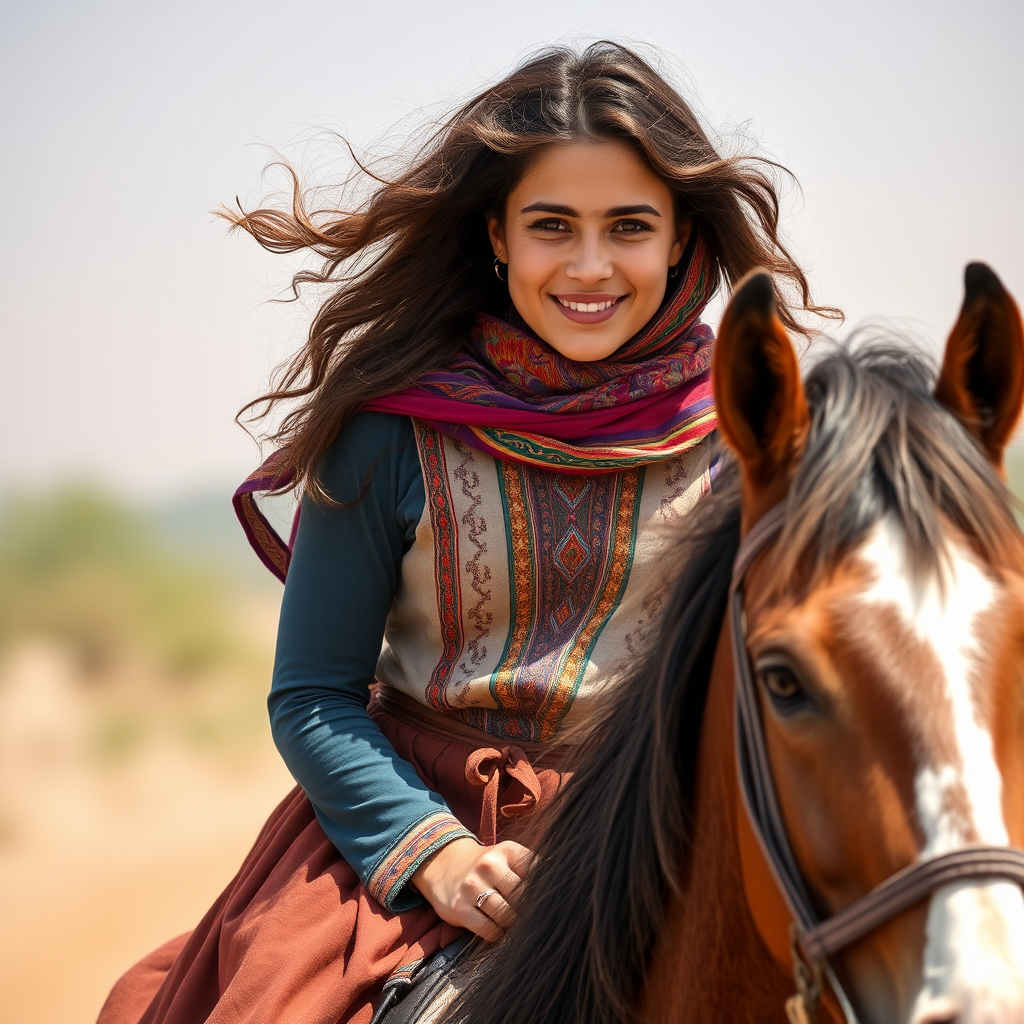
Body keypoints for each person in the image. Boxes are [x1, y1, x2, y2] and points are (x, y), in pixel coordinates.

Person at [97, 40, 834, 1024]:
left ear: (678, 241)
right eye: (550, 226)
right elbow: (312, 694)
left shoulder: (751, 436)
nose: (588, 264)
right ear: (496, 233)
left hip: (664, 840)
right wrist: (436, 857)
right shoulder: (390, 429)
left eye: (627, 226)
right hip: (411, 840)